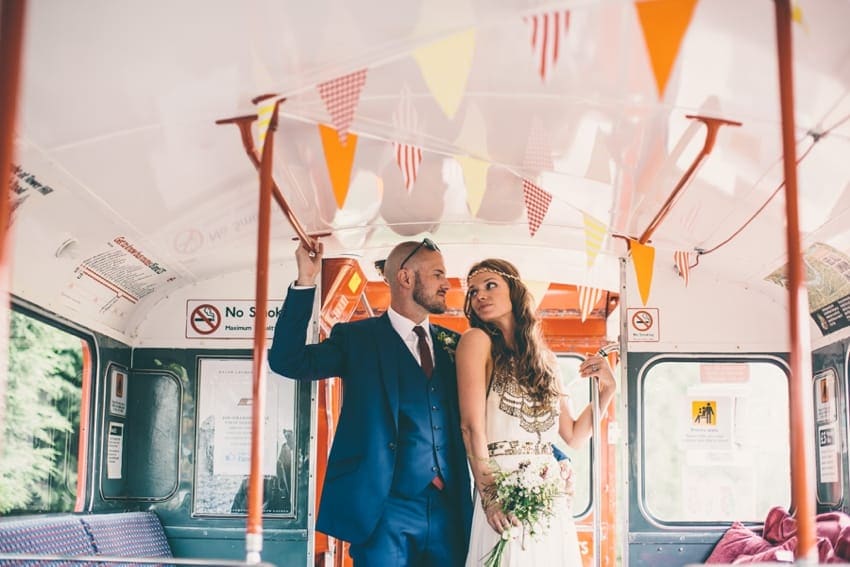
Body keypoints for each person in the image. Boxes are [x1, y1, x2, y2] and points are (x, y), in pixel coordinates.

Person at [268, 238, 473, 566]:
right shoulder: (356, 339)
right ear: (405, 278)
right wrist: (306, 281)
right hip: (383, 509)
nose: (446, 284)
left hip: (449, 507)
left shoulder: (456, 345)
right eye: (437, 274)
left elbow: (493, 406)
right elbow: (287, 361)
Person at [457, 258, 617, 566]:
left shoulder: (545, 359)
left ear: (515, 291)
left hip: (548, 488)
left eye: (491, 286)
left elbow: (573, 435)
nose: (480, 296)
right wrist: (491, 499)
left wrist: (607, 390)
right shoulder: (476, 341)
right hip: (500, 484)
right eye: (473, 291)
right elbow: (471, 427)